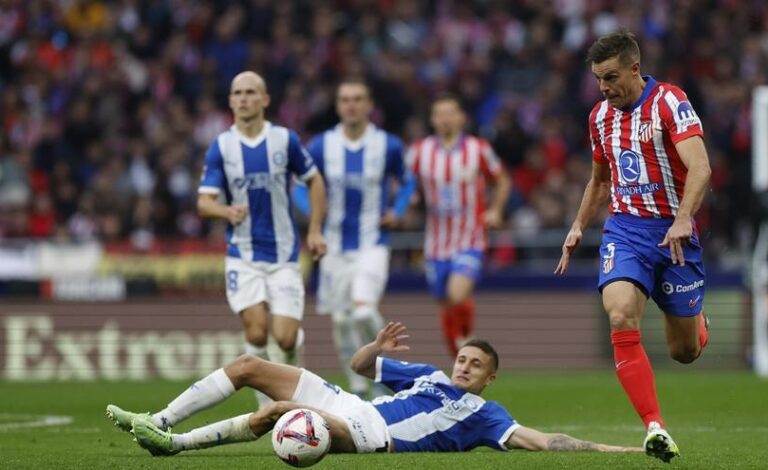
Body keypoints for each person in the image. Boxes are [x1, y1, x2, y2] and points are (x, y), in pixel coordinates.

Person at [106, 322, 641, 456]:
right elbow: (362, 366)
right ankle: (161, 420)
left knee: (282, 411)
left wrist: (627, 450)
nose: (464, 368)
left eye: (476, 365)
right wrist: (375, 344)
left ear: (489, 378)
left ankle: (173, 448)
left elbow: (547, 441)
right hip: (352, 404)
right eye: (463, 359)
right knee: (249, 365)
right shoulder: (430, 373)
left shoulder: (485, 413)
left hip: (374, 437)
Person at [554, 32, 712, 463]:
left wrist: (682, 218)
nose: (603, 88)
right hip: (624, 231)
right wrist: (578, 226)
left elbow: (700, 165)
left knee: (684, 353)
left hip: (673, 233)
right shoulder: (599, 117)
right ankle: (655, 427)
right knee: (620, 313)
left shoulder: (670, 102)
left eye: (610, 77)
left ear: (633, 69)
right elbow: (601, 180)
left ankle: (697, 322)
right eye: (597, 80)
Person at [197, 71, 327, 407]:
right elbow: (204, 201)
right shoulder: (221, 147)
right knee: (256, 332)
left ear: (265, 99)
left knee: (284, 337)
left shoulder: (285, 140)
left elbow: (314, 181)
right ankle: (267, 406)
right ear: (230, 100)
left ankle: (292, 365)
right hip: (243, 254)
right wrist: (225, 212)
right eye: (237, 92)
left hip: (284, 255)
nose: (243, 98)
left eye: (251, 92)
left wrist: (314, 229)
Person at [293, 79, 416, 398]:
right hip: (333, 246)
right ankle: (359, 387)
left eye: (358, 99)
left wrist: (398, 211)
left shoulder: (386, 144)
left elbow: (407, 181)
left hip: (372, 243)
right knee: (342, 319)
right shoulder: (323, 145)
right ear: (338, 105)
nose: (351, 105)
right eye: (345, 99)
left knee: (362, 311)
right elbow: (297, 186)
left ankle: (382, 375)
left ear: (369, 105)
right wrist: (314, 218)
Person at [406, 95, 511, 357]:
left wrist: (495, 210)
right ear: (432, 120)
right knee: (445, 303)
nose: (445, 119)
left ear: (461, 117)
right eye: (439, 114)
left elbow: (502, 179)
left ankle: (465, 339)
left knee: (457, 292)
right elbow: (405, 181)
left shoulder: (478, 149)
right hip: (436, 242)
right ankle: (459, 351)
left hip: (470, 238)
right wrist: (409, 199)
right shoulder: (420, 151)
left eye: (450, 113)